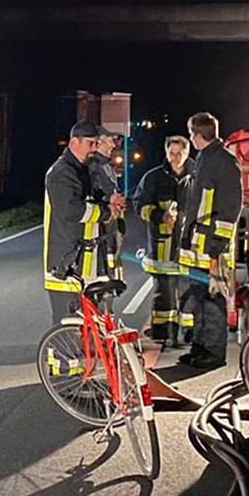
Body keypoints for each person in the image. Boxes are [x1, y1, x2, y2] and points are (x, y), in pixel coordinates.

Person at [176, 112, 242, 369]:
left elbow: (230, 208)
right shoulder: (206, 159)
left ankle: (213, 353)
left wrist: (216, 246)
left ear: (196, 135)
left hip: (212, 248)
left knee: (213, 300)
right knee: (199, 297)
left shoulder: (223, 161)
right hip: (199, 246)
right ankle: (200, 348)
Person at [43, 121, 118, 325]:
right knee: (67, 325)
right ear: (74, 142)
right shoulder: (61, 173)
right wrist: (105, 212)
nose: (95, 149)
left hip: (80, 262)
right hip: (65, 263)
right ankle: (58, 358)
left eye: (97, 144)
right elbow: (72, 210)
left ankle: (75, 356)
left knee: (82, 325)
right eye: (91, 144)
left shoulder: (80, 169)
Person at [131, 136, 190, 345]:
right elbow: (139, 204)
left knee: (188, 290)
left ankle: (190, 335)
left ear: (187, 153)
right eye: (171, 153)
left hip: (188, 246)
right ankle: (163, 333)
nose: (175, 158)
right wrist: (160, 216)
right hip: (161, 246)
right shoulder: (153, 178)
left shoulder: (198, 177)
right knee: (163, 292)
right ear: (166, 153)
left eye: (179, 154)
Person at [87, 132, 129, 278]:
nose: (113, 145)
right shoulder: (93, 166)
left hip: (112, 224)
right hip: (103, 225)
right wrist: (111, 202)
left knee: (111, 256)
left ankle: (112, 278)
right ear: (98, 144)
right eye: (109, 141)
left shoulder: (105, 165)